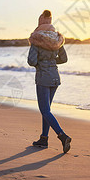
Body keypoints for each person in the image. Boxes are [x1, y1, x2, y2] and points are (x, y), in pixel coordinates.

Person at [27, 10, 72, 153]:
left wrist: (41, 63)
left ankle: (62, 136)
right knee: (47, 111)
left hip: (43, 78)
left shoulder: (36, 38)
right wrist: (52, 61)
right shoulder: (57, 38)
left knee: (45, 110)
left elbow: (31, 61)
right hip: (55, 78)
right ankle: (44, 139)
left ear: (40, 22)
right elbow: (64, 59)